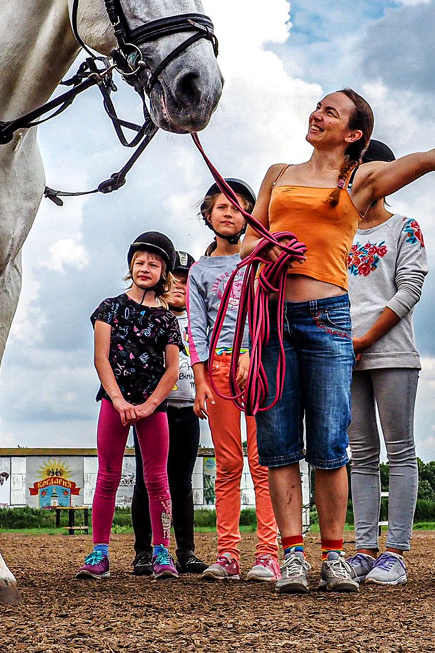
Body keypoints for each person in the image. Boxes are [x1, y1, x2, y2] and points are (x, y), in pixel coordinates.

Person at [243, 91, 435, 594]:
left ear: (354, 134)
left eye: (330, 112)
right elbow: (251, 238)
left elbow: (429, 160)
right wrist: (267, 248)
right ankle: (293, 554)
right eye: (317, 106)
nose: (317, 114)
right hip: (272, 317)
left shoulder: (360, 180)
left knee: (333, 442)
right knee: (279, 442)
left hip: (325, 317)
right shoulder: (278, 173)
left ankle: (334, 555)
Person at [188, 179, 282, 583]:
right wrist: (202, 379)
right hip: (219, 370)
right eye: (221, 206)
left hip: (259, 365)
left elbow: (269, 310)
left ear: (250, 215)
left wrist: (253, 353)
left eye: (239, 207)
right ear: (208, 215)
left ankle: (269, 553)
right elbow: (196, 326)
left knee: (264, 462)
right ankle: (227, 553)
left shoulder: (259, 259)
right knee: (227, 464)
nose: (229, 213)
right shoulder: (198, 270)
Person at [344, 140, 427, 587]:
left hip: (391, 350)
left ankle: (395, 551)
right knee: (359, 453)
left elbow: (409, 288)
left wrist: (367, 338)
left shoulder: (404, 228)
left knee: (399, 450)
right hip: (342, 351)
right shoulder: (336, 229)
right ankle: (362, 549)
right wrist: (342, 342)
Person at [78, 232, 183, 580]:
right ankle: (99, 552)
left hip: (153, 406)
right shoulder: (109, 309)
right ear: (130, 267)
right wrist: (119, 400)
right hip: (115, 401)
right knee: (107, 476)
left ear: (164, 272)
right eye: (139, 262)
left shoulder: (168, 320)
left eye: (153, 263)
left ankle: (162, 551)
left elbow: (171, 370)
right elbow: (101, 359)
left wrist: (151, 405)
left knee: (157, 479)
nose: (145, 268)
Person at [131, 251, 205, 575]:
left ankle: (186, 550)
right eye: (174, 278)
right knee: (146, 481)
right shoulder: (149, 317)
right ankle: (144, 551)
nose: (179, 285)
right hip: (152, 411)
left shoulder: (200, 322)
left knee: (181, 482)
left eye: (187, 280)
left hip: (187, 409)